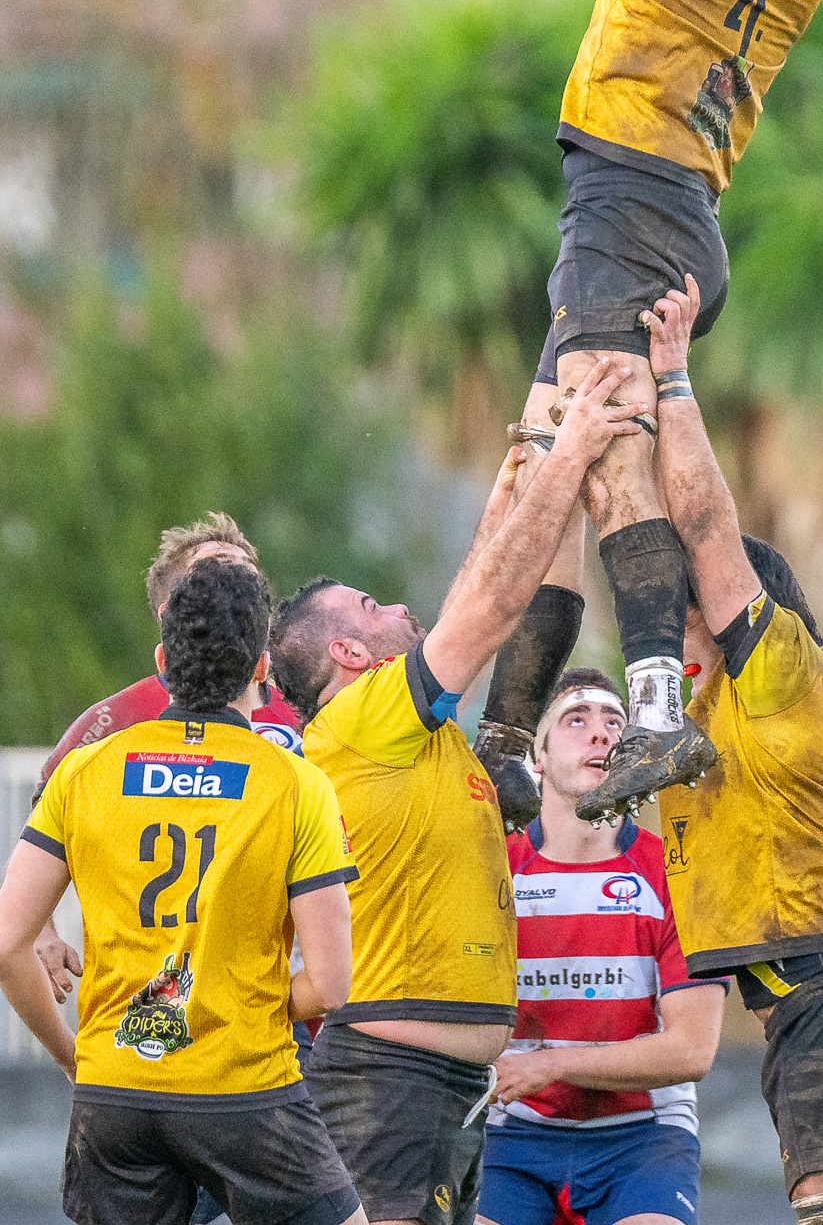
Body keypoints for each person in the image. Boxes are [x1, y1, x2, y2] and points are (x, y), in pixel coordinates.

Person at [474, 0, 823, 827]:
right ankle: (498, 742)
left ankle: (652, 709)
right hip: (671, 209)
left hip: (631, 203)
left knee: (602, 460)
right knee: (540, 478)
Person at [268, 359, 644, 1225]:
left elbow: (524, 594)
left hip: (445, 1087)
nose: (396, 604)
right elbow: (490, 601)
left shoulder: (414, 735)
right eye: (368, 604)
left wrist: (538, 482)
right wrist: (570, 452)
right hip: (385, 1080)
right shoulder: (364, 719)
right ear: (350, 658)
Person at [643, 277, 823, 1225]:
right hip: (806, 1023)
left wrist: (674, 380)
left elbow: (704, 528)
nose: (663, 656)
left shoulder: (782, 682)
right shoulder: (690, 720)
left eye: (679, 632)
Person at [0, 555, 367, 1225]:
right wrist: (233, 1004)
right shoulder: (293, 782)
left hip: (115, 1088)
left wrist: (73, 1057)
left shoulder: (85, 772)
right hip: (244, 1088)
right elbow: (332, 986)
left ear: (163, 658)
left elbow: (3, 949)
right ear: (261, 669)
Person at [477, 667, 726, 1225]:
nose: (602, 734)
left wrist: (552, 1065)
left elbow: (692, 1052)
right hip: (514, 1136)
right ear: (535, 758)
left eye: (616, 721)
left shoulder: (676, 874)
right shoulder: (491, 870)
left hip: (642, 1142)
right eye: (576, 719)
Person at [31, 511, 301, 1006]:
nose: (235, 585)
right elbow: (43, 815)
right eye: (217, 573)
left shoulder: (302, 705)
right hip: (151, 1008)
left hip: (280, 1010)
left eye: (246, 575)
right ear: (170, 612)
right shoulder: (120, 717)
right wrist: (42, 929)